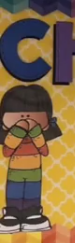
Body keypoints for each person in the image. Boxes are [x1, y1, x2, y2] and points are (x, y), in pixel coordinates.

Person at [0, 85, 62, 233]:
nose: (26, 119)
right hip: (15, 172)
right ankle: (12, 214)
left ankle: (32, 214)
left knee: (33, 192)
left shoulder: (38, 135)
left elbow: (44, 151)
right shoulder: (12, 136)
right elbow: (7, 152)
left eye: (33, 116)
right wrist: (17, 133)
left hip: (35, 171)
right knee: (14, 191)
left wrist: (36, 133)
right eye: (19, 116)